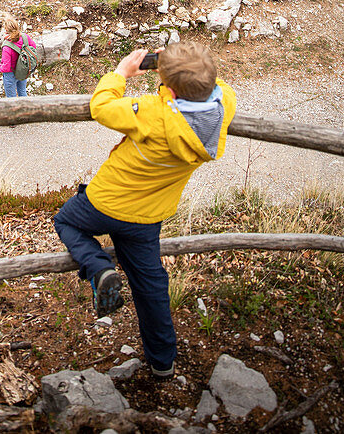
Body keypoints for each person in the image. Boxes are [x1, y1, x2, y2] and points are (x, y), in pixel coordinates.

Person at [53, 42, 236, 380]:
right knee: (150, 285)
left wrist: (121, 74)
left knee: (66, 222)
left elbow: (102, 106)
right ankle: (163, 360)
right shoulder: (222, 110)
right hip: (148, 216)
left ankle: (98, 268)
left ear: (169, 88)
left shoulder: (152, 112)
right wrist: (183, 71)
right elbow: (218, 88)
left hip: (106, 201)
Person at [0, 12, 36, 98]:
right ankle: (26, 109)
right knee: (22, 91)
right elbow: (33, 47)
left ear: (6, 31)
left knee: (11, 98)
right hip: (23, 70)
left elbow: (6, 67)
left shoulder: (6, 47)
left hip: (11, 74)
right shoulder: (25, 37)